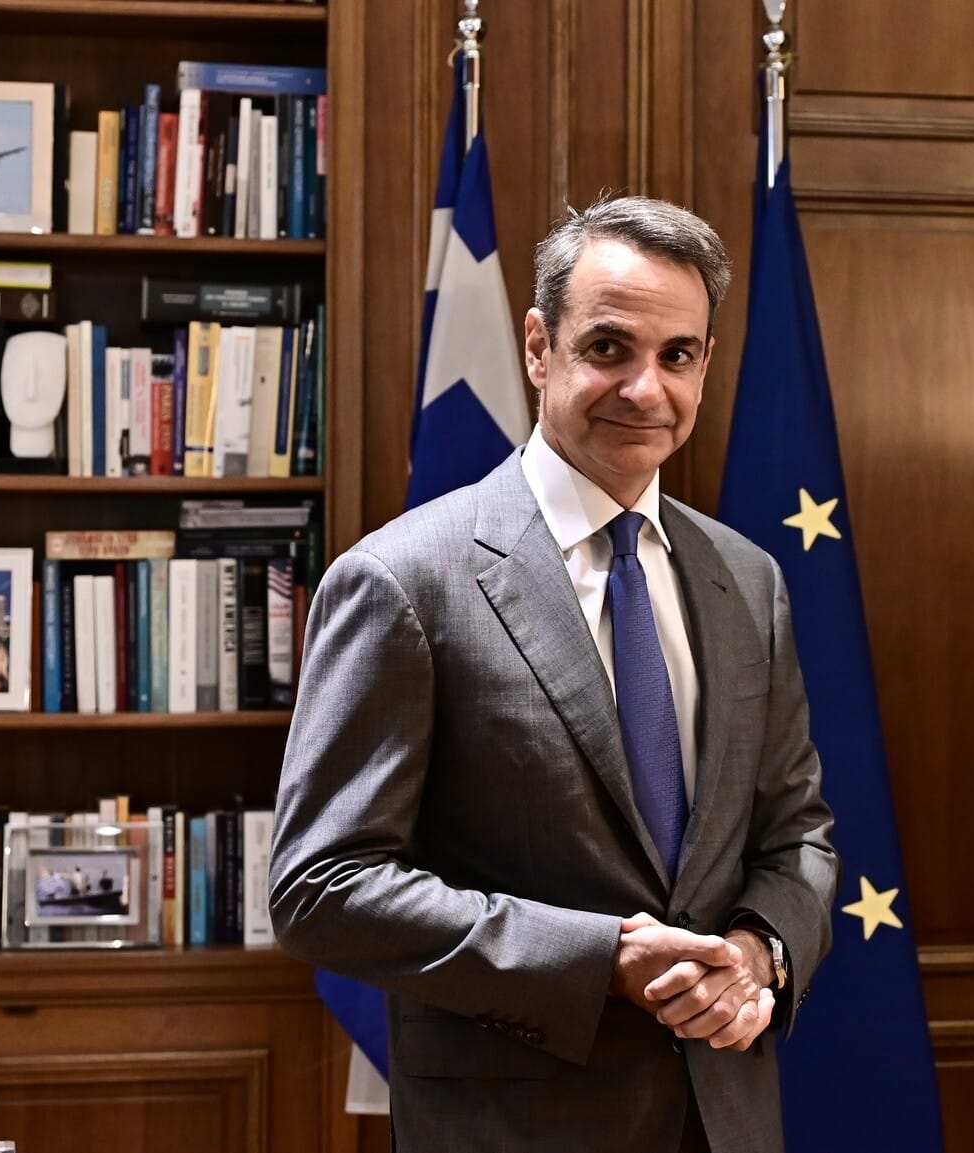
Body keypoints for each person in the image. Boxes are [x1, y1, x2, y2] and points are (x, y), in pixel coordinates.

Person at [269, 196, 838, 1153]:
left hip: (725, 1119)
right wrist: (599, 956)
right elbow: (321, 886)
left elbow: (797, 835)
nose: (646, 388)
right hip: (513, 1126)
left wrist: (756, 953)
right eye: (609, 348)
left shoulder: (748, 579)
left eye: (678, 356)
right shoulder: (403, 580)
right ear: (539, 347)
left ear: (705, 365)